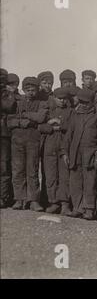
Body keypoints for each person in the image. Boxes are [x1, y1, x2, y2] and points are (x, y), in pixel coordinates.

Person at [61, 89, 97, 220]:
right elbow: (68, 136)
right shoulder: (75, 115)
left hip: (90, 155)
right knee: (75, 182)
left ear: (92, 102)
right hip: (75, 154)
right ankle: (77, 208)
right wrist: (65, 152)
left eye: (86, 102)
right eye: (81, 102)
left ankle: (89, 209)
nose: (83, 105)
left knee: (89, 183)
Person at [7, 77, 48, 211]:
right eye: (28, 90)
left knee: (32, 169)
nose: (31, 92)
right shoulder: (17, 102)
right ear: (24, 90)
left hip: (33, 140)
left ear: (37, 90)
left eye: (33, 90)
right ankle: (19, 199)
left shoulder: (42, 103)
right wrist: (23, 122)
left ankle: (34, 200)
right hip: (17, 140)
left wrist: (25, 115)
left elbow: (41, 118)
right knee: (18, 169)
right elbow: (9, 121)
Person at [38, 87, 73, 214]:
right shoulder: (48, 111)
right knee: (51, 175)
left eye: (64, 99)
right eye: (59, 98)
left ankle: (65, 204)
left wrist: (60, 124)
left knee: (64, 175)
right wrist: (50, 126)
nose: (62, 101)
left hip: (65, 146)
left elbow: (72, 126)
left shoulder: (71, 112)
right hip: (49, 146)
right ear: (54, 98)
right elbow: (39, 126)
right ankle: (53, 202)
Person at [0, 70, 17, 208]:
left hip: (3, 134)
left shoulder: (8, 95)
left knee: (4, 166)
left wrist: (7, 93)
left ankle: (3, 197)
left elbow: (8, 106)